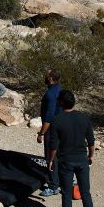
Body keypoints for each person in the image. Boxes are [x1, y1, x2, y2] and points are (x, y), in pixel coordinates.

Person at [47, 90, 95, 207]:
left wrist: (50, 160)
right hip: (82, 159)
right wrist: (91, 156)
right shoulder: (84, 118)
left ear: (61, 103)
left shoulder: (56, 120)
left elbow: (53, 145)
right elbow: (91, 141)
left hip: (66, 161)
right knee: (85, 192)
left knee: (66, 193)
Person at [36, 68, 62, 197]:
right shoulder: (59, 89)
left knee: (50, 156)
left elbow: (49, 117)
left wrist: (41, 133)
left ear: (50, 78)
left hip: (52, 129)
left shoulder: (50, 94)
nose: (45, 78)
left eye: (46, 76)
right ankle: (63, 180)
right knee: (60, 154)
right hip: (61, 126)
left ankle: (53, 185)